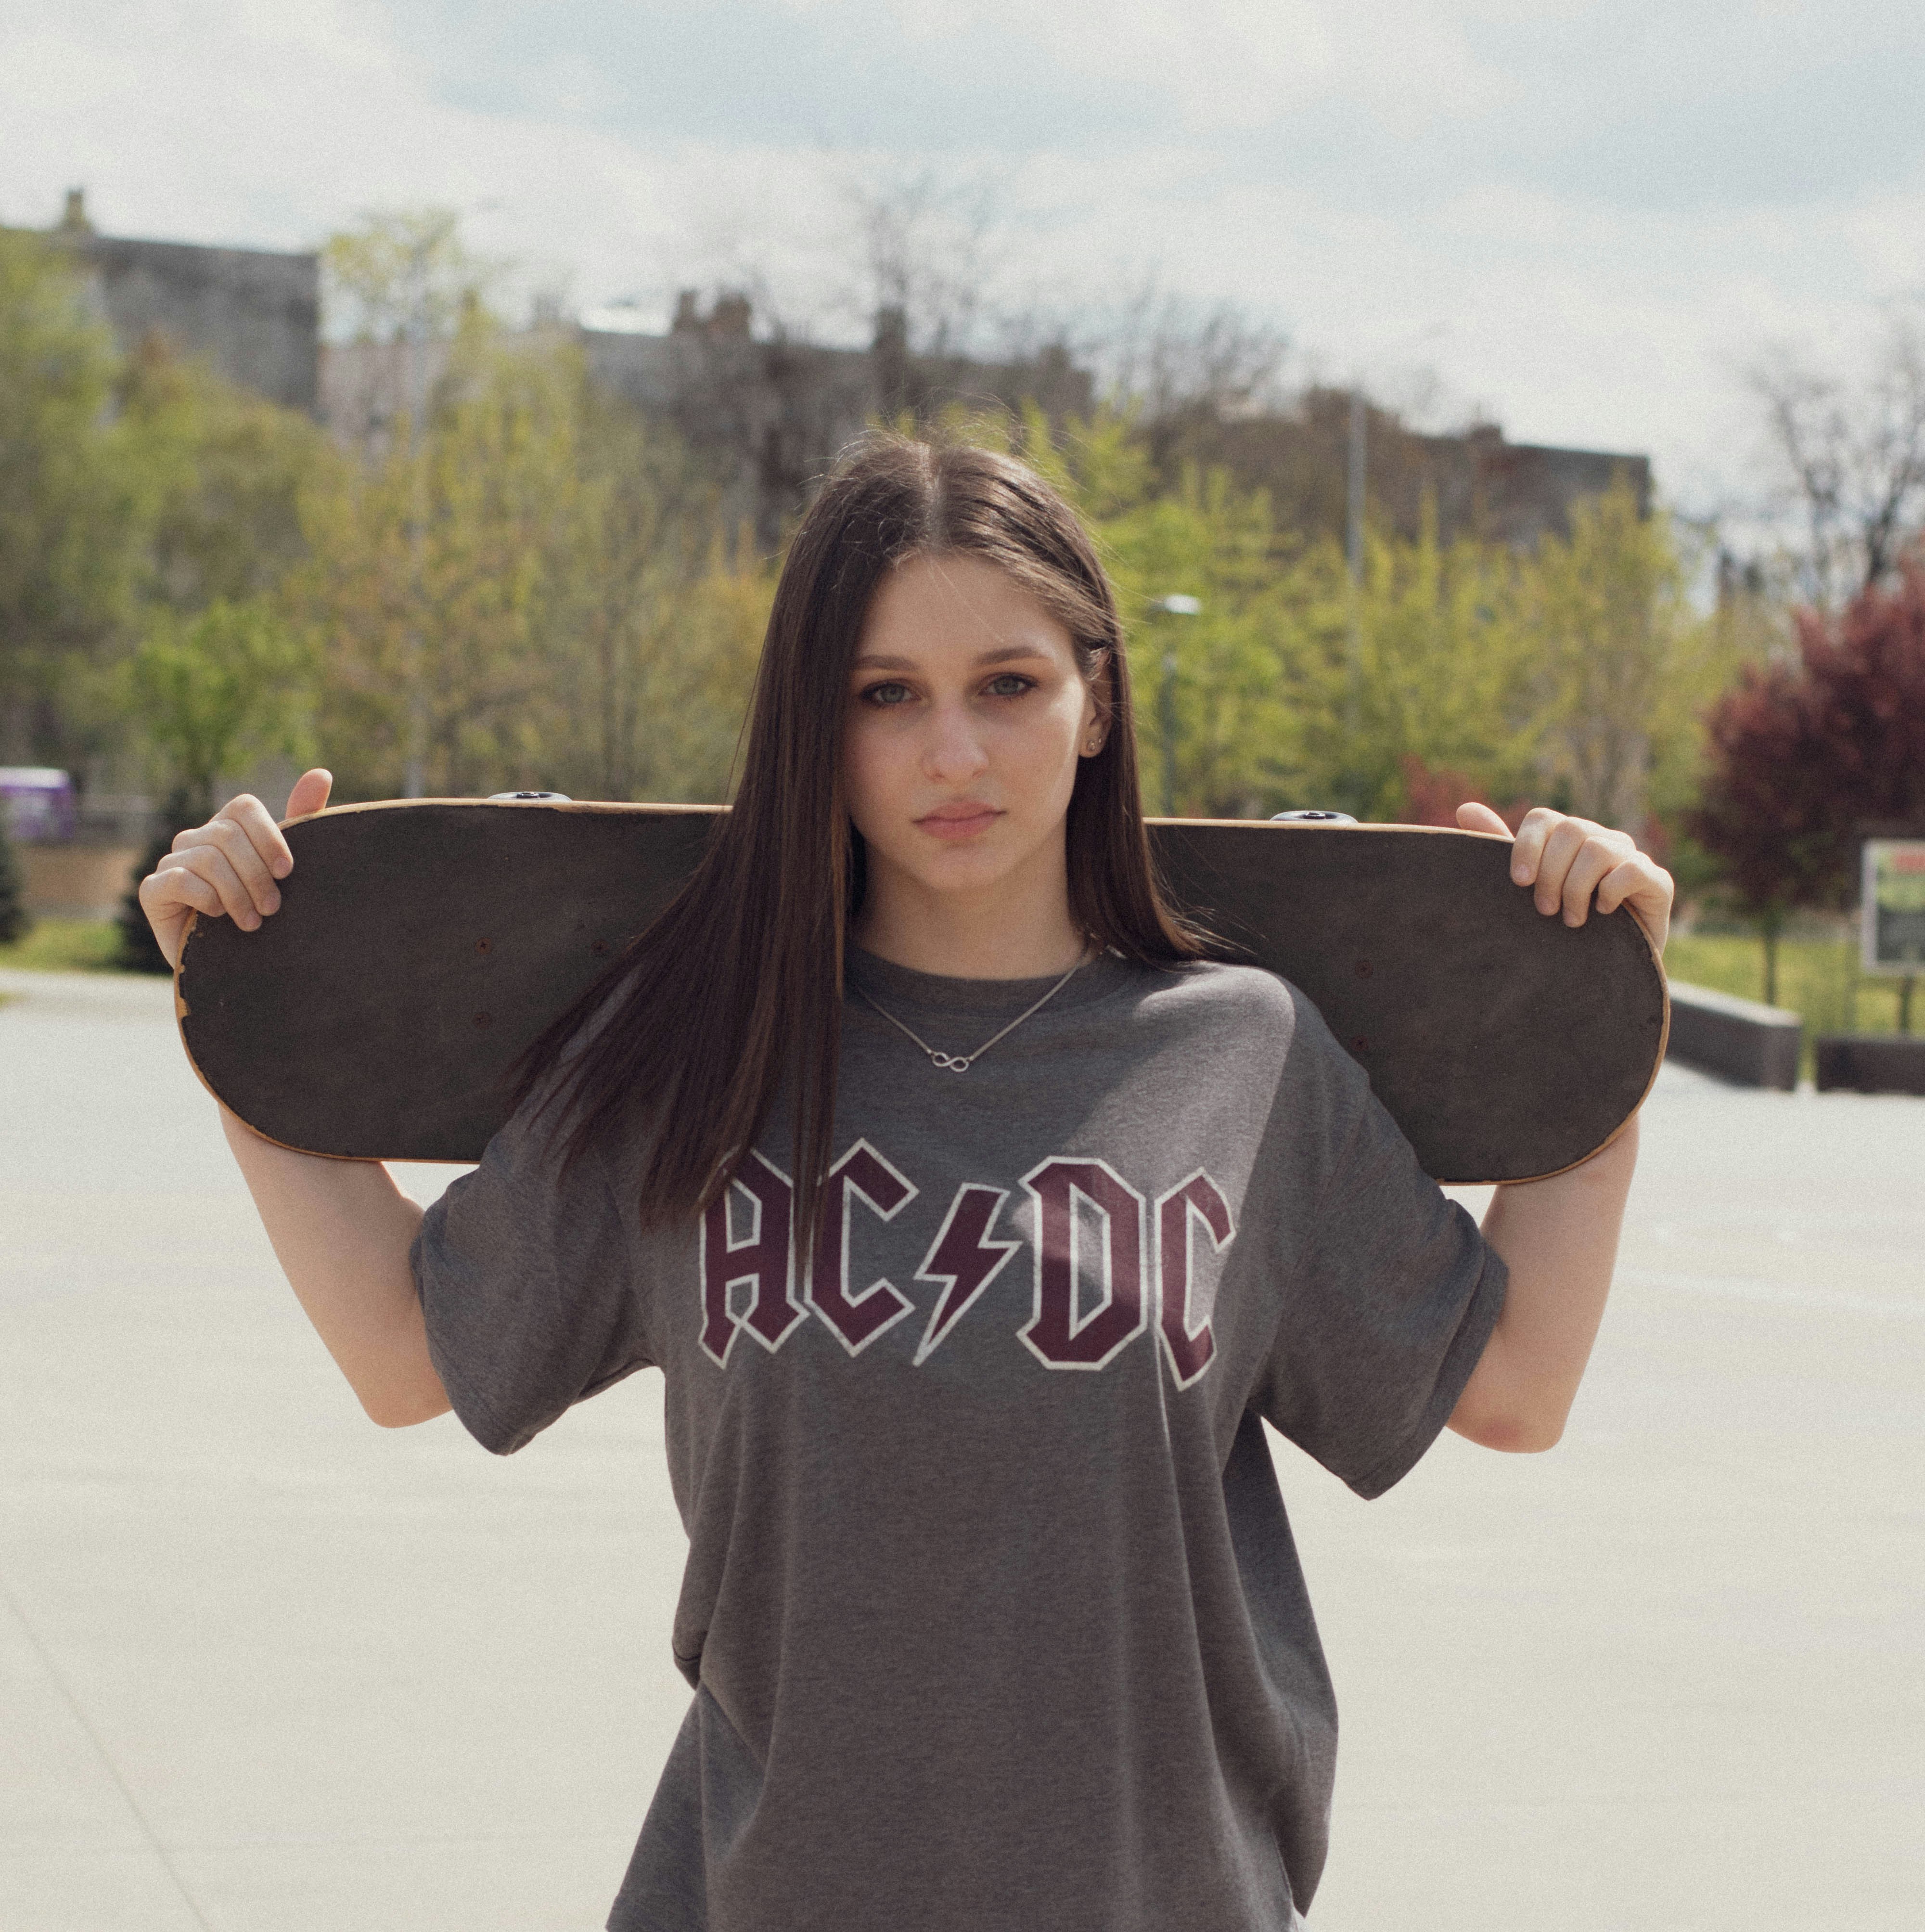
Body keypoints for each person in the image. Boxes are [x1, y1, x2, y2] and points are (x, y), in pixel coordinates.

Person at [139, 434, 1674, 1932]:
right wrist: (255, 1035)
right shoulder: (692, 1044)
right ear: (820, 725)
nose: (954, 752)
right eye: (887, 696)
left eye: (1008, 685)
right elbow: (408, 1357)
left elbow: (1516, 1389)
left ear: (1094, 704)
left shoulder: (1242, 1055)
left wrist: (1599, 1042)